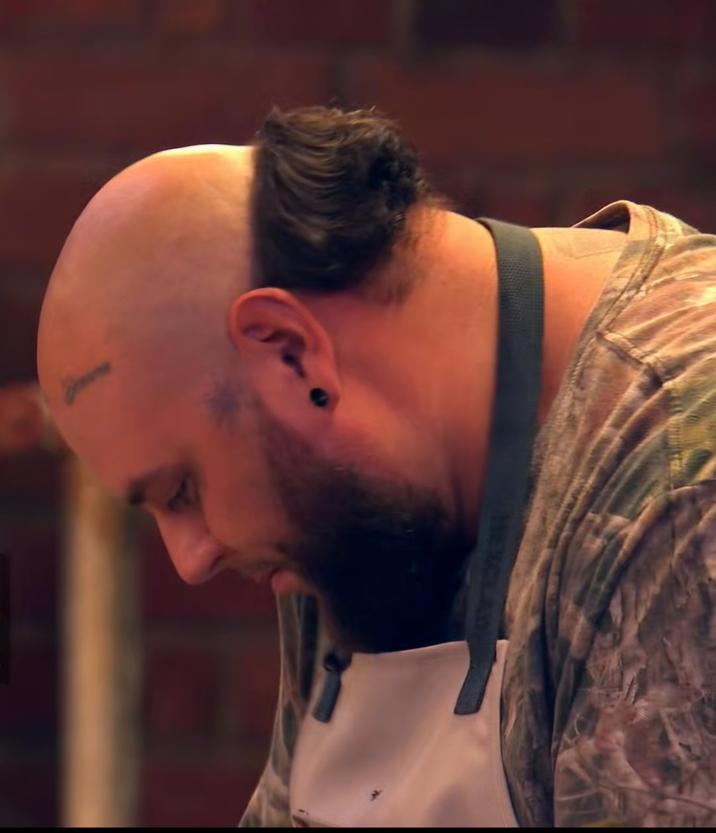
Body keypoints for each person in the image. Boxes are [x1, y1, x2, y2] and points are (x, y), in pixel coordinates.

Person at [36, 106, 716, 827]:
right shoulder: (349, 496)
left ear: (290, 352)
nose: (191, 558)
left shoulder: (681, 477)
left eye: (183, 491)